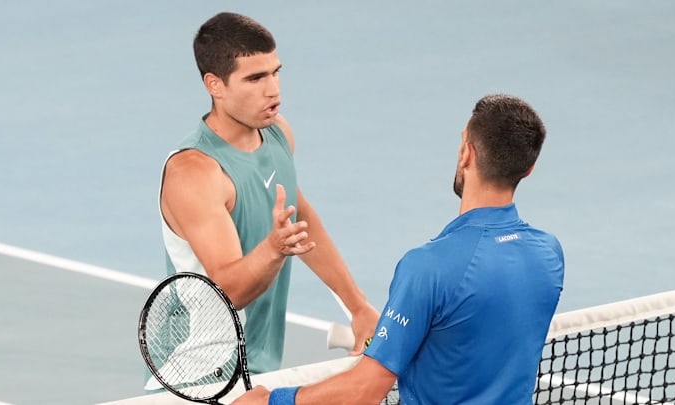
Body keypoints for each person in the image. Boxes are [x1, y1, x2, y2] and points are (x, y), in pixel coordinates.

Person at [232, 94, 565, 404]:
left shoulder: (428, 267)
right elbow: (474, 334)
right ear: (528, 168)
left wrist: (269, 400)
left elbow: (364, 390)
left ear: (467, 153)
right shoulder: (549, 254)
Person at [154, 12, 379, 378]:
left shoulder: (277, 134)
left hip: (256, 370)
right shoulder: (194, 172)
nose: (273, 89)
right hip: (198, 377)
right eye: (256, 78)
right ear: (215, 84)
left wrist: (358, 307)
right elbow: (231, 290)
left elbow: (299, 216)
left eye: (275, 72)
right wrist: (274, 248)